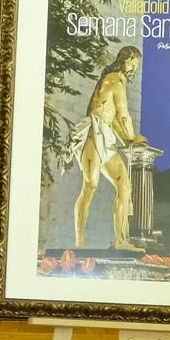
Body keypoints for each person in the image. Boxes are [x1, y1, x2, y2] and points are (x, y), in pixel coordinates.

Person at [61, 44, 146, 248]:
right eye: (135, 63)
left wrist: (129, 140)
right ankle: (79, 242)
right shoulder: (116, 80)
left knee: (124, 186)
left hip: (106, 135)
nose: (135, 68)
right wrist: (132, 136)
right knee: (90, 186)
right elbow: (124, 116)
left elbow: (114, 119)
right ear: (128, 58)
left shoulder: (116, 80)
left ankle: (121, 240)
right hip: (92, 134)